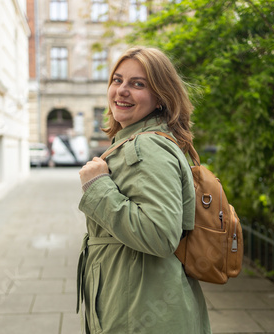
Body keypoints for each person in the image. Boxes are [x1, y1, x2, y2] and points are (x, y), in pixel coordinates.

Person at [77, 46, 211, 334]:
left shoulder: (147, 146)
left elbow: (160, 234)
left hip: (140, 311)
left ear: (161, 96)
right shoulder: (135, 139)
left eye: (138, 84)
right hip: (135, 300)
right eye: (117, 80)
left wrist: (96, 185)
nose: (122, 91)